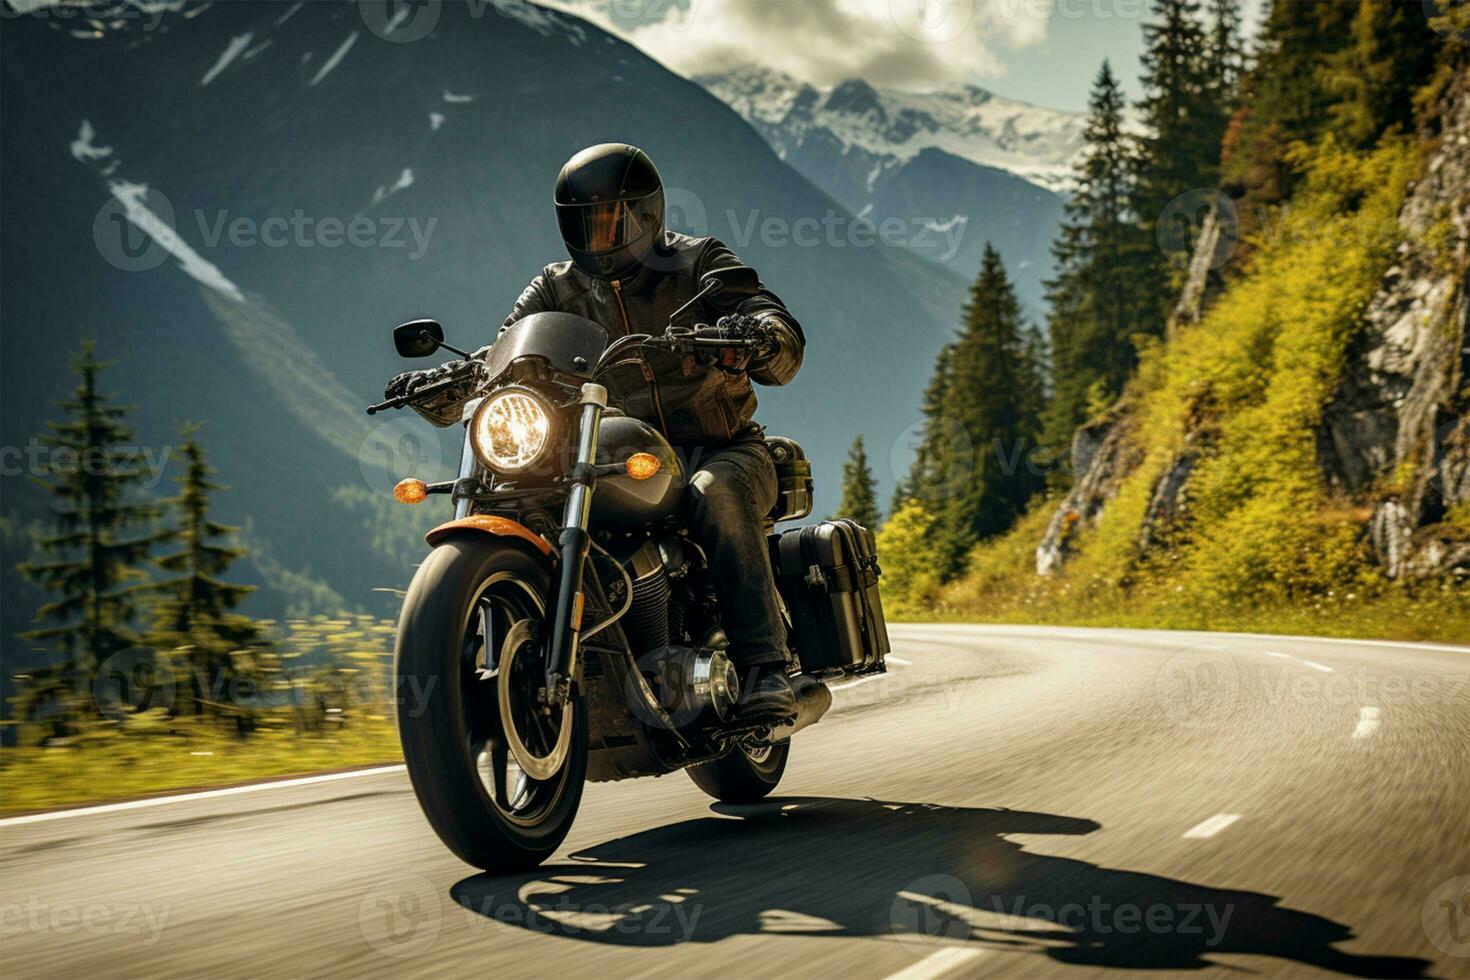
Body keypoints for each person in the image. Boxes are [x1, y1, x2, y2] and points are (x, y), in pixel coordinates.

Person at [386, 143, 804, 720]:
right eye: (584, 222)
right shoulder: (555, 287)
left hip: (719, 445)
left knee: (717, 494)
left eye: (613, 220)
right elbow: (509, 349)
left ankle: (765, 668)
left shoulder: (699, 263)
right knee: (528, 496)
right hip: (609, 450)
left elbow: (769, 319)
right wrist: (452, 382)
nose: (600, 235)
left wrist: (755, 336)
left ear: (649, 216)